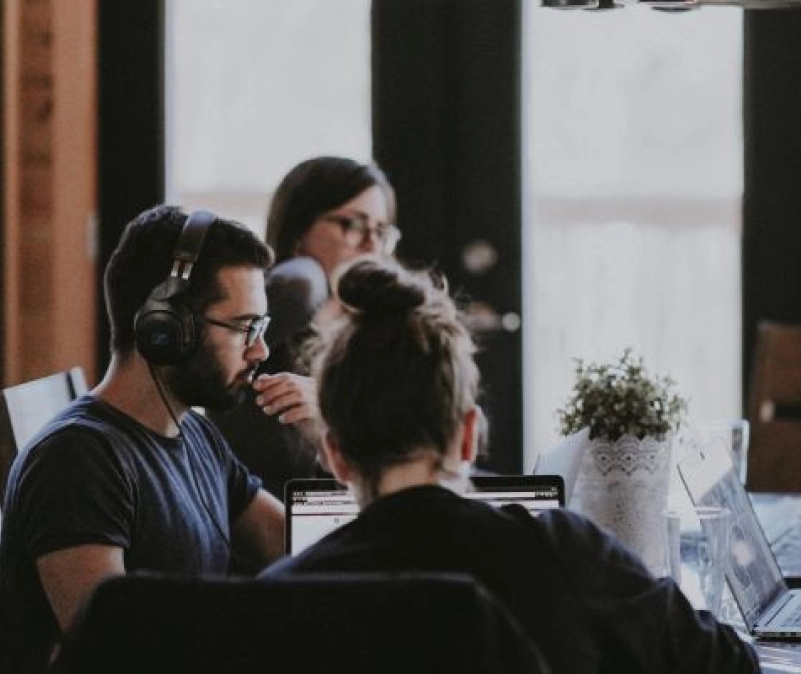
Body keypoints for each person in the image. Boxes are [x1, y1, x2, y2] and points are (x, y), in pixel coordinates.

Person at [261, 258, 758, 673]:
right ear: (468, 435)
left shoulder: (281, 597)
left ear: (335, 455)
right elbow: (729, 665)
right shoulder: (563, 553)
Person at [0, 205, 286, 673]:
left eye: (261, 327)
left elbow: (293, 544)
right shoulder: (77, 459)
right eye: (243, 327)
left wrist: (335, 437)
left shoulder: (194, 433)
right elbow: (112, 652)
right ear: (165, 328)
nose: (261, 350)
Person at [210, 157, 399, 498]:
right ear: (299, 229)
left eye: (382, 231)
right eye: (353, 225)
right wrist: (305, 276)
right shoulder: (277, 312)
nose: (372, 245)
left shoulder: (384, 329)